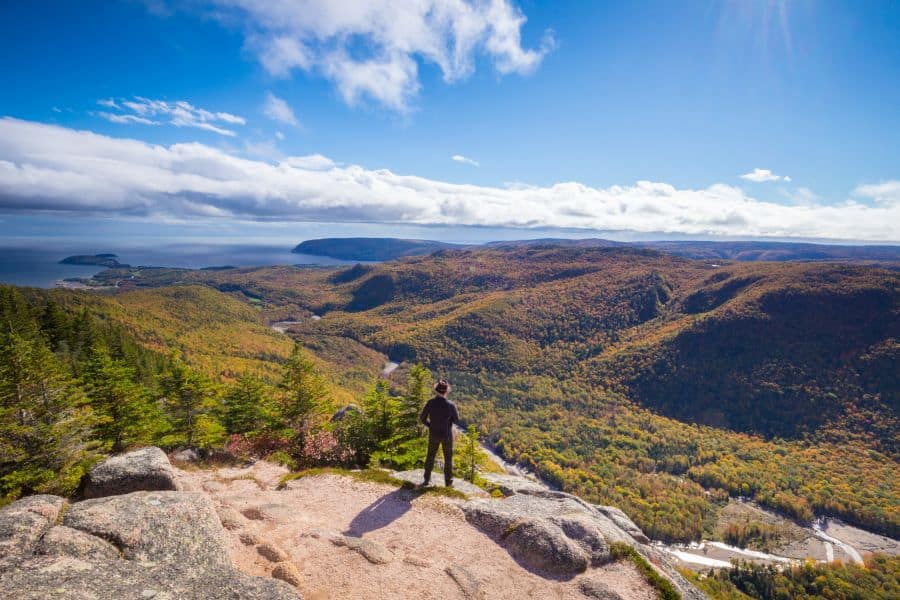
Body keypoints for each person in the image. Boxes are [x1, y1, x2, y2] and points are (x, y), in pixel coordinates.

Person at [419, 379, 459, 487]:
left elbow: (422, 418)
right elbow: (456, 420)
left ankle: (426, 480)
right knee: (448, 459)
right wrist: (448, 423)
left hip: (434, 434)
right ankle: (448, 483)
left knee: (430, 456)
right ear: (446, 391)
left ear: (436, 390)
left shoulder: (430, 403)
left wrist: (430, 425)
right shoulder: (451, 405)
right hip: (446, 435)